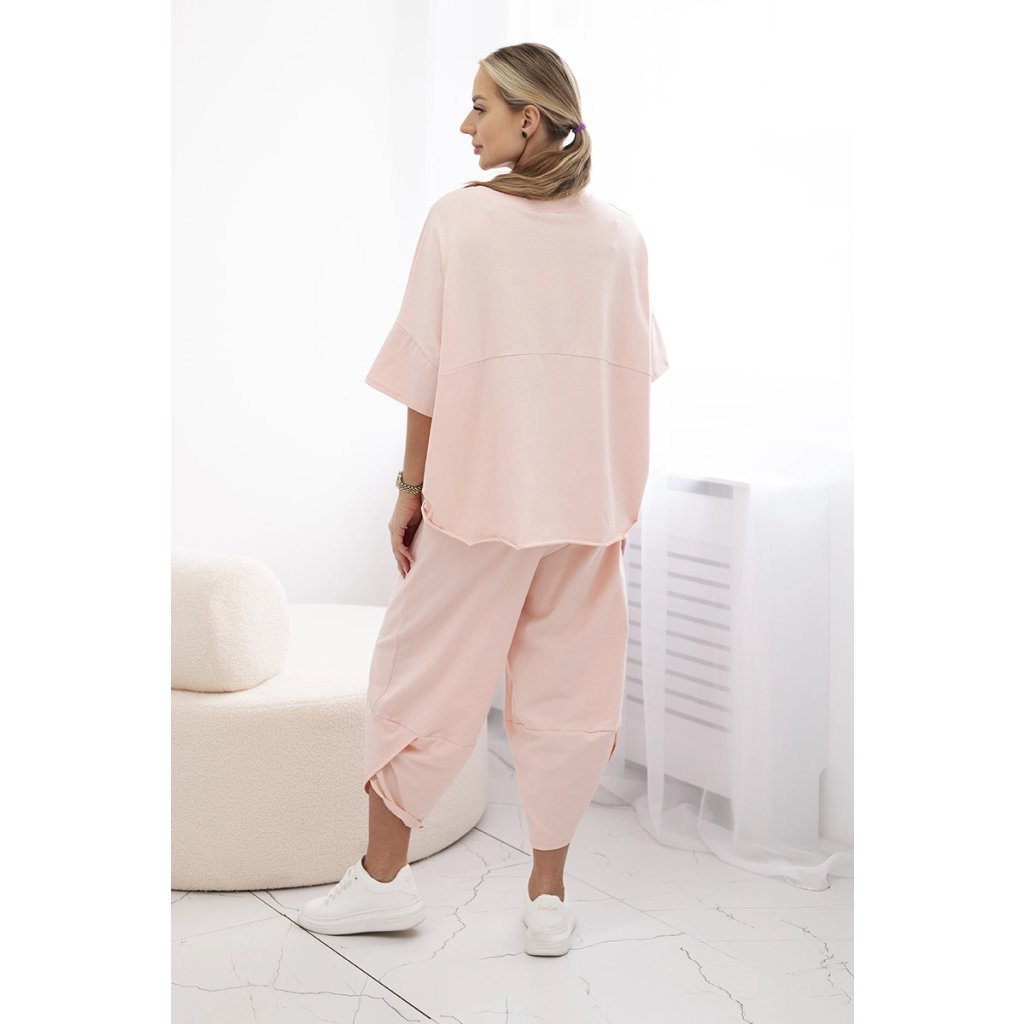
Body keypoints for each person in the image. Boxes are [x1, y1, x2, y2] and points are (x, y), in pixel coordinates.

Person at [299, 42, 669, 957]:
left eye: (480, 108)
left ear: (528, 120)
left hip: (480, 501)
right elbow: (634, 371)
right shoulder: (621, 235)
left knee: (419, 677)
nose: (466, 125)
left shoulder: (458, 222)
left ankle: (384, 882)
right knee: (572, 689)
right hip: (590, 504)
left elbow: (426, 371)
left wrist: (409, 489)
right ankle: (547, 900)